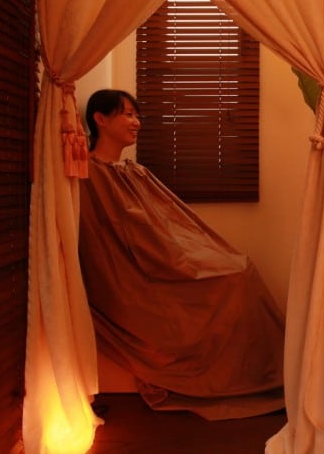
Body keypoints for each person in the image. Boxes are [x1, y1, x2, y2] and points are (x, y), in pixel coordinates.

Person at [78, 89, 284, 420]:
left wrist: (190, 253)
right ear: (100, 119)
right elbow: (117, 241)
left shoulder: (131, 170)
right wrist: (176, 262)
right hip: (140, 275)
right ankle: (251, 375)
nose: (137, 122)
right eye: (127, 114)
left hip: (164, 258)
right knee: (234, 280)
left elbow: (168, 224)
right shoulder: (91, 174)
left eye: (137, 115)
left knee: (241, 268)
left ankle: (265, 370)